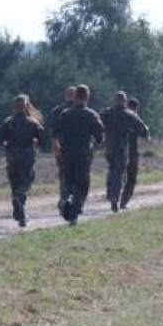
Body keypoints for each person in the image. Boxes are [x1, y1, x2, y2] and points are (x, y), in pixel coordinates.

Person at [51, 84, 104, 225]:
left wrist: (56, 144)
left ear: (75, 97)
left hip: (66, 153)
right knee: (82, 185)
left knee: (67, 180)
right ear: (87, 97)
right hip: (83, 154)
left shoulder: (65, 113)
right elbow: (100, 136)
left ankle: (65, 200)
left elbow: (55, 131)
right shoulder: (92, 115)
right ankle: (74, 212)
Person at [0, 95, 45, 227]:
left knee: (14, 185)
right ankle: (20, 204)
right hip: (27, 157)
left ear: (13, 107)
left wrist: (5, 143)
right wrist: (36, 142)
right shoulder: (33, 122)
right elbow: (42, 139)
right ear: (27, 107)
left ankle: (19, 214)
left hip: (12, 157)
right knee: (26, 183)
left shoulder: (8, 122)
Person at [100, 91, 149, 212]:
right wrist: (146, 135)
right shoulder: (129, 114)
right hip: (122, 148)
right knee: (119, 172)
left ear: (115, 100)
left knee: (111, 169)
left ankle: (110, 191)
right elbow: (142, 126)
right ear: (124, 102)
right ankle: (114, 197)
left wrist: (99, 138)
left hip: (109, 147)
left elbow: (96, 123)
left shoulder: (106, 113)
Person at [46, 86, 78, 211]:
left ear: (66, 95)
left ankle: (64, 197)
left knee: (64, 174)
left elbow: (48, 124)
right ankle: (71, 198)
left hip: (61, 147)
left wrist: (54, 140)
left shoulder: (57, 110)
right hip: (78, 148)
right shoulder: (81, 110)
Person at [118, 97, 150, 210]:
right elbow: (144, 132)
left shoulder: (120, 116)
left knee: (118, 174)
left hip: (118, 152)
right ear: (137, 108)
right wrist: (146, 138)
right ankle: (123, 201)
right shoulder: (135, 118)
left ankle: (114, 195)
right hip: (132, 153)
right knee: (131, 178)